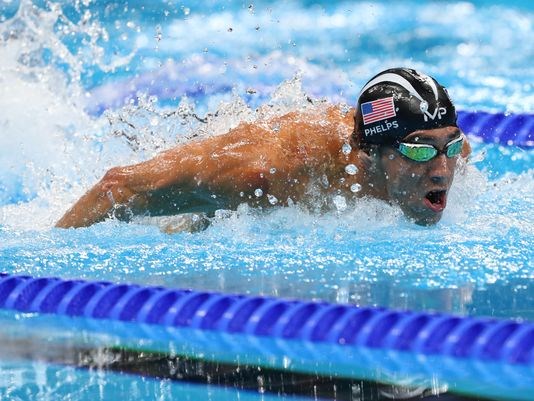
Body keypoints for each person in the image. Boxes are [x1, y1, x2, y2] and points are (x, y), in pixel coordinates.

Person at [55, 67, 470, 230]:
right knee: (185, 226)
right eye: (418, 150)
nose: (441, 170)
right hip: (225, 197)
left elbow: (440, 148)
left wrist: (439, 147)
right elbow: (120, 187)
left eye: (449, 147)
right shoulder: (274, 173)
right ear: (370, 151)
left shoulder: (451, 152)